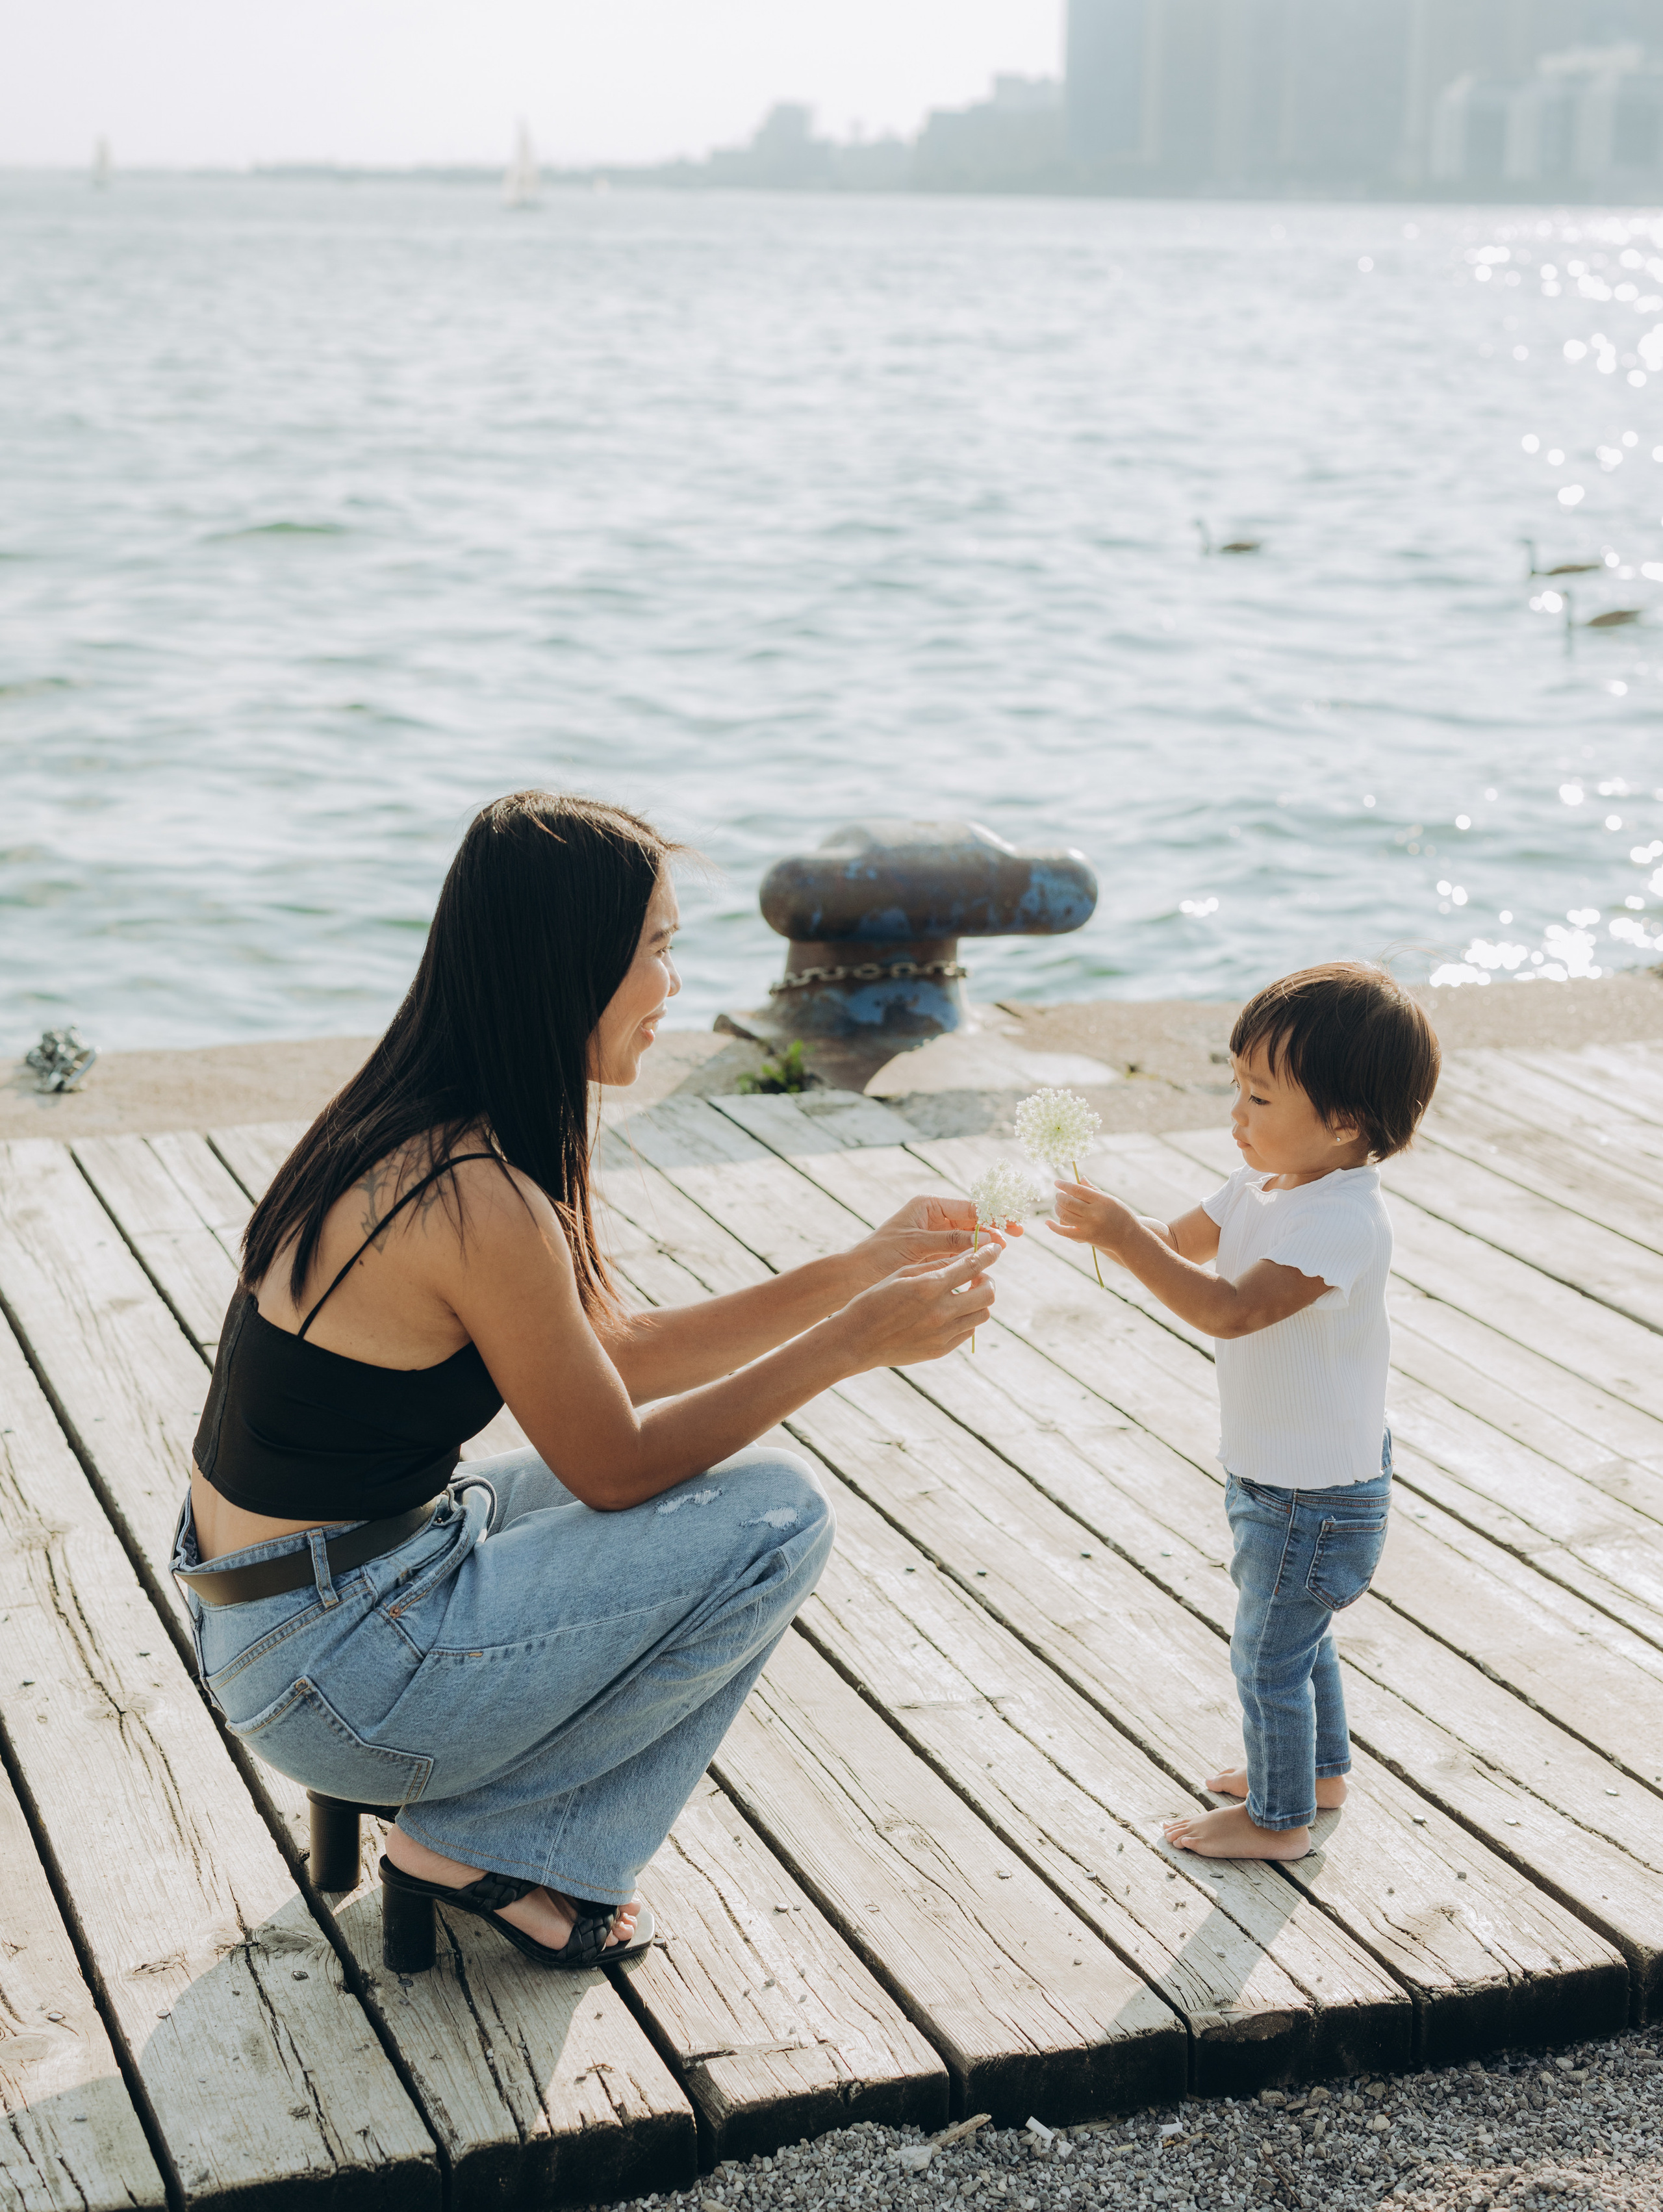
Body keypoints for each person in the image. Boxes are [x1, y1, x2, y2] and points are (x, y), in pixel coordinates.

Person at [174, 791, 1002, 1966]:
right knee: (775, 1520)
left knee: (656, 1495)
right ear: (572, 962)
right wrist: (851, 1342)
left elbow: (605, 1357)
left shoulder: (405, 1127)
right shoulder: (474, 1196)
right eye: (657, 949)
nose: (674, 985)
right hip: (336, 1669)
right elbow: (615, 1467)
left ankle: (462, 1829)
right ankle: (492, 1845)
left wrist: (854, 1271)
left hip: (282, 1609)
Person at [1047, 961, 1440, 1861]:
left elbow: (1230, 1309)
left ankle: (1278, 1819)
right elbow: (1174, 1245)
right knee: (1300, 1638)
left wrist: (1123, 1237)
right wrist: (1100, 1219)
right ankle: (1319, 1774)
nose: (1237, 1114)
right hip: (1279, 1476)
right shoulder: (1261, 1189)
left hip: (1315, 1495)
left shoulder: (1340, 1221)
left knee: (1267, 1656)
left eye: (1260, 1098)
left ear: (1345, 1121)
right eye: (1237, 1088)